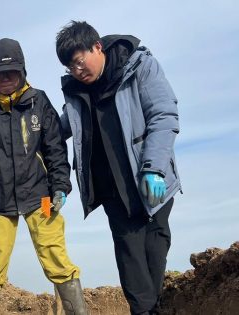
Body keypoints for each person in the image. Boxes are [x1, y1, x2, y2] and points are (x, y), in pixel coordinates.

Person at [55, 21, 181, 315]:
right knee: (129, 256)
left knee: (155, 246)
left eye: (78, 62)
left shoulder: (140, 66)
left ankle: (153, 307)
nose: (76, 71)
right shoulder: (76, 90)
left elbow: (163, 114)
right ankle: (145, 311)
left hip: (150, 178)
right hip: (111, 187)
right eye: (69, 67)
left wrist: (154, 168)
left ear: (96, 46)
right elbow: (60, 128)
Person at [0, 38, 87, 315]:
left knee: (55, 256)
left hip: (42, 197)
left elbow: (55, 148)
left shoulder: (39, 102)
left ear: (22, 72)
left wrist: (60, 187)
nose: (6, 78)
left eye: (11, 72)